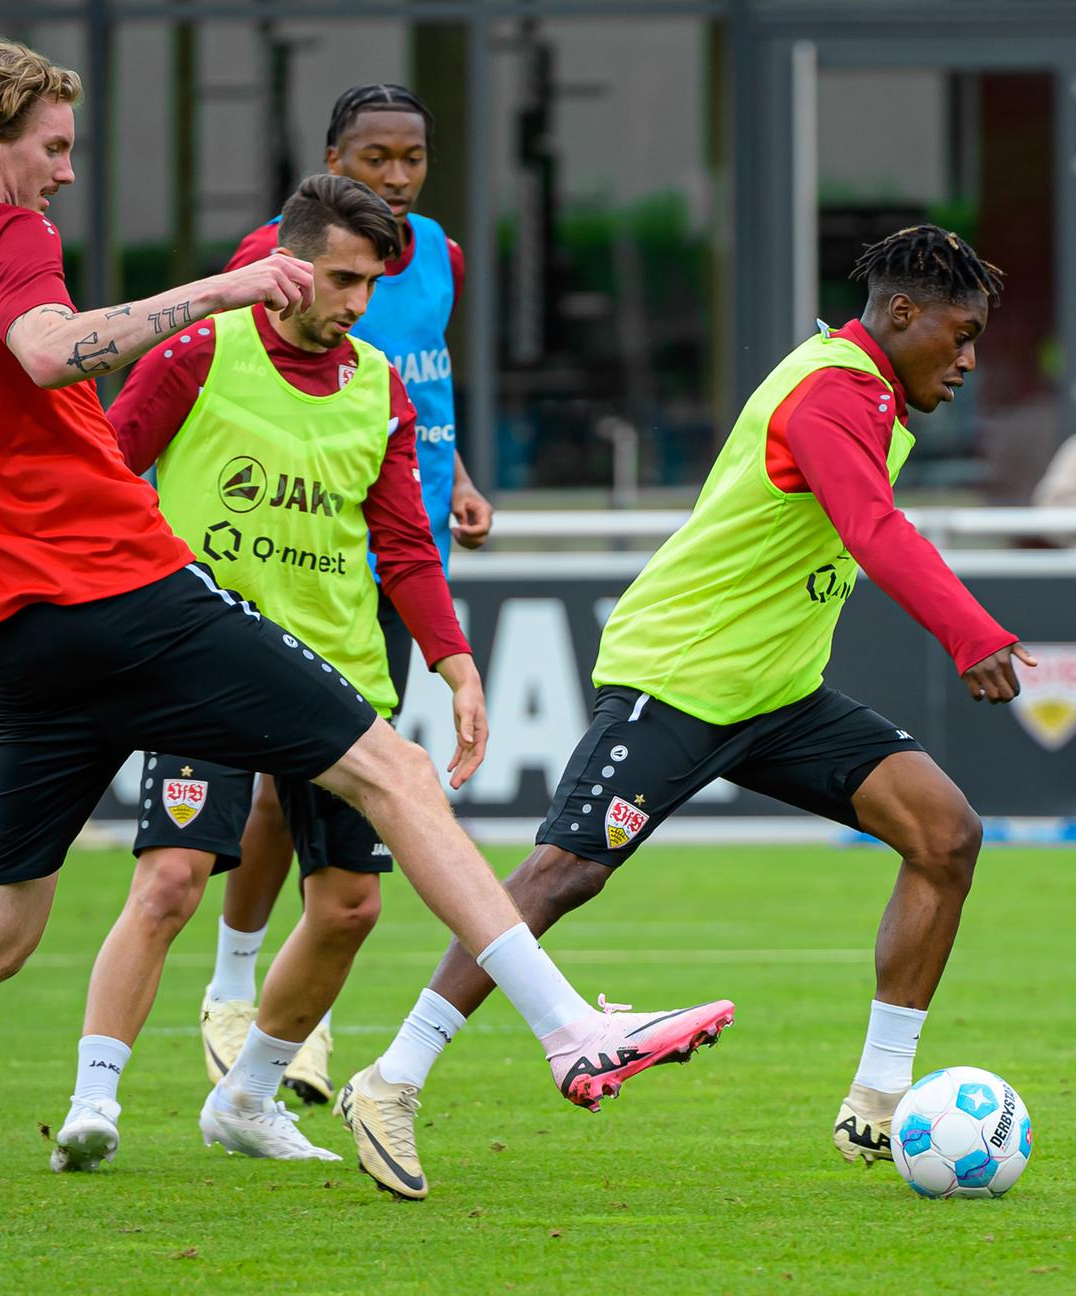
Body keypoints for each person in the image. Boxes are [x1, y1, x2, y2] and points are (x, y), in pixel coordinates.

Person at [0, 35, 734, 1184]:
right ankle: (571, 1031)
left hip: (14, 631)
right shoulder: (10, 232)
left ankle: (250, 1084)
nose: (62, 172)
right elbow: (54, 354)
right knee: (395, 773)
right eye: (52, 148)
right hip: (123, 590)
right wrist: (225, 282)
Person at [334, 224, 1038, 1198]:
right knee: (562, 874)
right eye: (958, 336)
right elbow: (871, 527)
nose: (967, 362)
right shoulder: (831, 391)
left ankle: (878, 1104)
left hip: (777, 693)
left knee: (946, 833)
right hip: (680, 675)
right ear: (902, 314)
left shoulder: (872, 392)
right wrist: (972, 632)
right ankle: (391, 1080)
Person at [54, 172, 490, 1166]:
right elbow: (106, 477)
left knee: (350, 906)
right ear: (283, 264)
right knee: (169, 881)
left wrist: (455, 664)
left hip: (336, 674)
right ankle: (94, 1102)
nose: (354, 303)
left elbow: (406, 548)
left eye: (370, 285)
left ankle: (246, 1099)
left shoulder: (378, 382)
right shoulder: (200, 350)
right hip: (204, 663)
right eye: (340, 278)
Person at [202, 83, 493, 1105]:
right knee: (294, 786)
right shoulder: (268, 257)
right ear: (334, 159)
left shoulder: (442, 257)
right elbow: (247, 378)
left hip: (401, 560)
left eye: (413, 158)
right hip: (302, 557)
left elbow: (425, 379)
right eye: (377, 158)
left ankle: (273, 1016)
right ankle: (239, 987)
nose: (399, 176)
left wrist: (454, 474)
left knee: (332, 795)